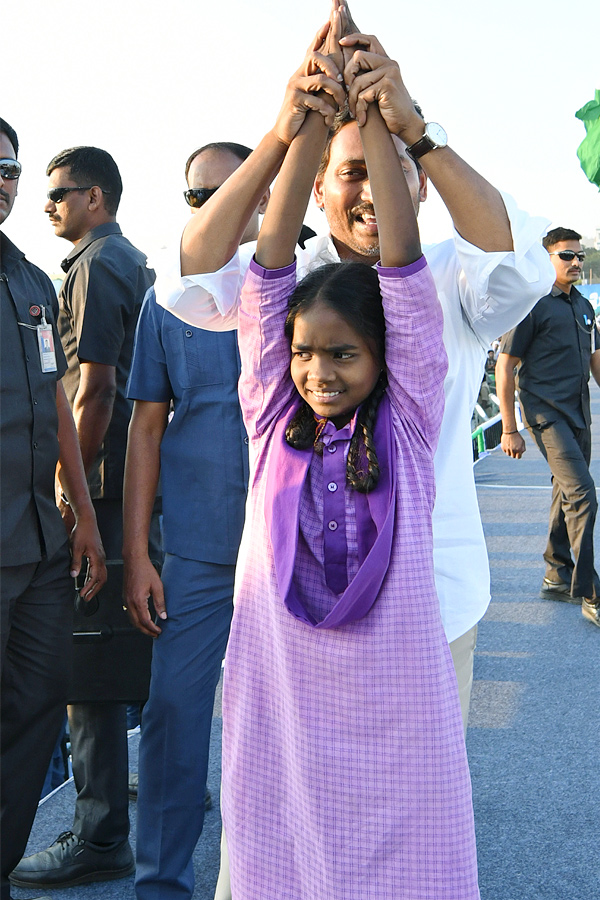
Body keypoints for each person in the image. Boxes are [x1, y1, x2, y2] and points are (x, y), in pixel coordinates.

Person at [154, 2, 555, 730]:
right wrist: (286, 132)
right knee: (284, 811)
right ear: (315, 189)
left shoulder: (448, 281)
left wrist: (415, 132)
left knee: (408, 809)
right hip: (291, 598)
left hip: (431, 596)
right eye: (350, 174)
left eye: (395, 172)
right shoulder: (284, 285)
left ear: (423, 185)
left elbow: (516, 264)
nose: (371, 189)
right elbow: (188, 279)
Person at [220, 12, 480, 895]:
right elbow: (266, 263)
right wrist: (303, 122)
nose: (319, 372)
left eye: (343, 354)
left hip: (395, 695)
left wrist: (375, 106)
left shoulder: (407, 423)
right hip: (285, 693)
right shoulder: (270, 418)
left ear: (388, 360)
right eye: (305, 353)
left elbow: (403, 269)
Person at [10, 146, 158, 891]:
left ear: (94, 197)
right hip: (128, 481)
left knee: (89, 666)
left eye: (57, 194)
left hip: (99, 486)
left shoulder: (95, 268)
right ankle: (152, 787)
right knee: (130, 646)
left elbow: (93, 390)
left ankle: (99, 834)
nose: (46, 206)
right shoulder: (128, 260)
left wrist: (70, 496)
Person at [122, 142, 266, 900]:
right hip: (199, 550)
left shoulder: (307, 288)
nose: (212, 208)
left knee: (283, 720)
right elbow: (146, 427)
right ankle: (161, 883)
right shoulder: (165, 302)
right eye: (196, 197)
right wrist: (138, 554)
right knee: (174, 712)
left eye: (227, 191)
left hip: (288, 546)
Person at [0, 118, 106, 900]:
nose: (4, 182)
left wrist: (87, 515)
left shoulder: (32, 281)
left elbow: (59, 402)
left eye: (9, 168)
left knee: (36, 710)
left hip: (37, 543)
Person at [496, 227, 600, 628]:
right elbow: (505, 366)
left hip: (579, 412)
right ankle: (591, 591)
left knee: (565, 490)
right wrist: (510, 428)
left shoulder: (583, 306)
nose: (575, 263)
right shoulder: (533, 304)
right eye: (566, 256)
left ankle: (557, 572)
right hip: (546, 414)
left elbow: (595, 359)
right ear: (547, 260)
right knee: (582, 494)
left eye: (579, 256)